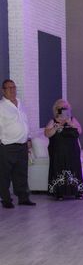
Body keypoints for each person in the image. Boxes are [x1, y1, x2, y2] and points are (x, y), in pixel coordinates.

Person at [0, 79, 35, 208]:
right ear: (3, 90)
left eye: (14, 87)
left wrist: (29, 138)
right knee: (5, 174)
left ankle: (23, 197)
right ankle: (6, 200)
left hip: (22, 145)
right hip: (7, 146)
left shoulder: (20, 103)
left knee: (21, 173)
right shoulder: (1, 106)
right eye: (9, 88)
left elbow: (25, 122)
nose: (12, 90)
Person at [44, 99, 83, 200]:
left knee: (74, 170)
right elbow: (47, 134)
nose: (64, 110)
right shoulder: (52, 121)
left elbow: (79, 131)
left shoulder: (72, 120)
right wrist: (56, 127)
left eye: (66, 108)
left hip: (72, 151)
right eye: (61, 108)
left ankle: (77, 192)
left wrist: (70, 123)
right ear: (56, 110)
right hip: (58, 152)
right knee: (58, 169)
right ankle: (59, 193)